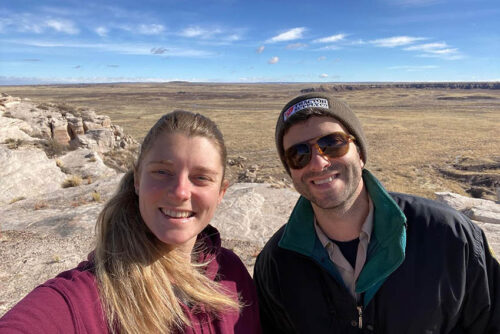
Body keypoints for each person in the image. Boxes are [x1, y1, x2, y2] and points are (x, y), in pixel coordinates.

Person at [254, 93, 500, 333]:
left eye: (332, 144)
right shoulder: (276, 263)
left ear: (360, 153)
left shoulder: (448, 236)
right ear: (290, 171)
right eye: (299, 154)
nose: (318, 163)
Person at [0, 110, 261, 333]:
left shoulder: (232, 273)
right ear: (137, 179)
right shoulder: (88, 297)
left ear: (221, 194)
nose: (181, 191)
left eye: (201, 177)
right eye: (162, 172)